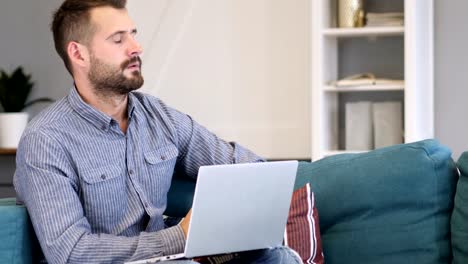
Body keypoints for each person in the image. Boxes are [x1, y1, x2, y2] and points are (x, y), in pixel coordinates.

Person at [13, 0, 302, 263]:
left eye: (133, 34)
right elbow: (71, 252)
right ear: (78, 53)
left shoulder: (159, 117)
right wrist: (179, 237)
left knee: (278, 258)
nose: (136, 47)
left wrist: (216, 223)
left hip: (175, 258)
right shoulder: (46, 140)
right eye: (118, 39)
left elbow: (250, 169)